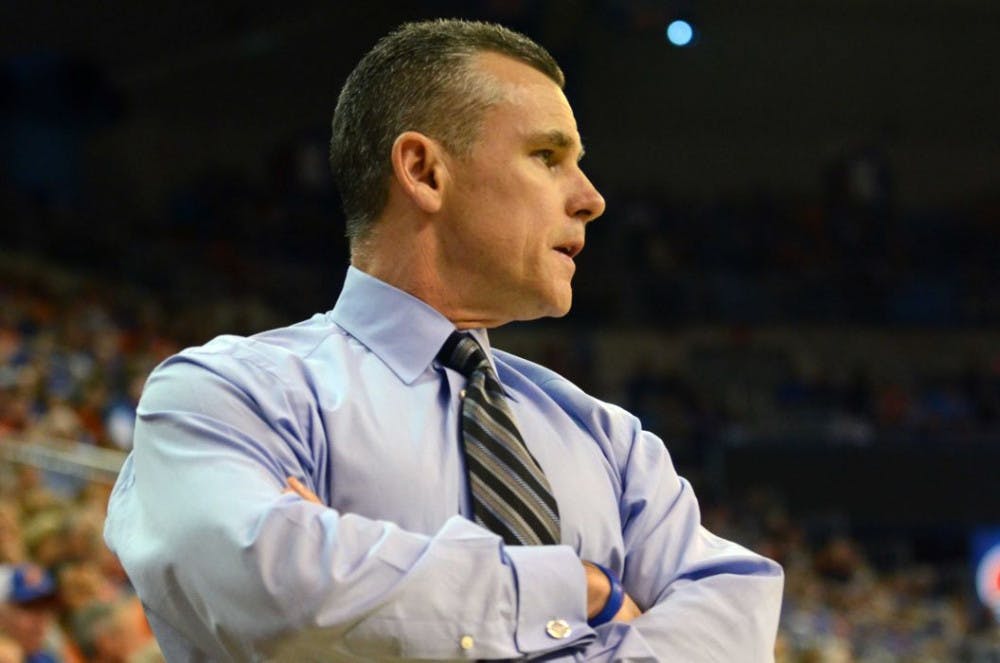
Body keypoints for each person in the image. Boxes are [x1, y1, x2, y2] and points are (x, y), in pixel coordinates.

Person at [104, 18, 783, 661]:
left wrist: (373, 580)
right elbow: (276, 591)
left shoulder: (609, 437)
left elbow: (737, 613)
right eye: (548, 156)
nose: (591, 197)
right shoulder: (229, 392)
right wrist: (588, 593)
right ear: (424, 172)